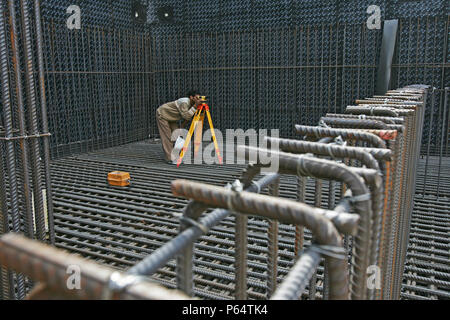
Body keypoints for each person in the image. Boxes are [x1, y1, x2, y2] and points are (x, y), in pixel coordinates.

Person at [156, 91, 202, 163]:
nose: (198, 99)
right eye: (196, 98)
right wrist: (196, 106)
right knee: (167, 136)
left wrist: (181, 127)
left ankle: (177, 154)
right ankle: (170, 158)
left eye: (199, 98)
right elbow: (186, 116)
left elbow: (188, 118)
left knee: (177, 135)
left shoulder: (191, 104)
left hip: (171, 117)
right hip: (163, 114)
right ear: (191, 97)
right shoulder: (185, 102)